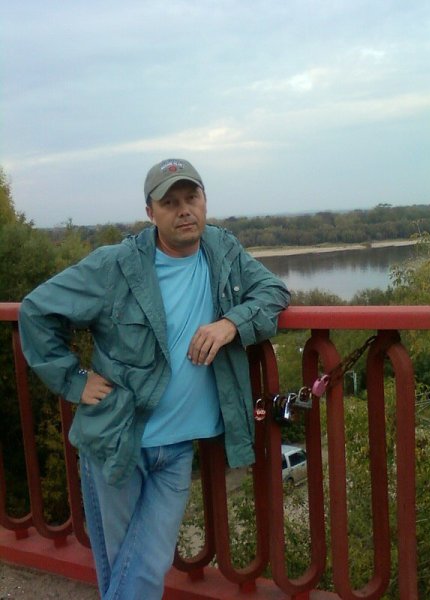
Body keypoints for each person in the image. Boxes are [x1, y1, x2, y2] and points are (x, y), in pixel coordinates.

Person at [18, 158, 290, 600]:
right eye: (170, 202)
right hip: (117, 441)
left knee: (143, 566)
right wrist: (74, 380)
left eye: (191, 198)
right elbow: (36, 310)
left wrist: (230, 324)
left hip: (177, 449)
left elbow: (274, 292)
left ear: (204, 201)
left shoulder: (222, 250)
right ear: (151, 212)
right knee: (131, 569)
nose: (184, 210)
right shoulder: (116, 265)